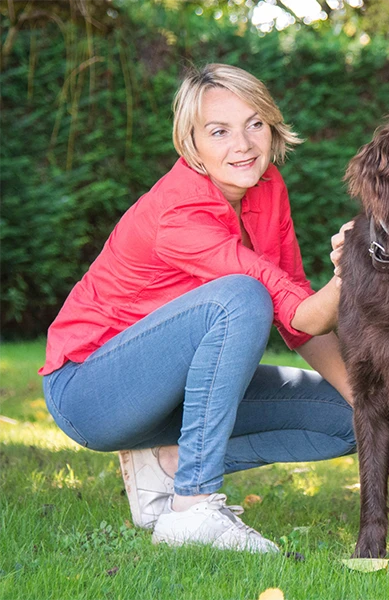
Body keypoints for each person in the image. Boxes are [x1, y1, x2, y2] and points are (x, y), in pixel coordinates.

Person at [40, 63, 356, 554]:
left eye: (255, 124)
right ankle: (192, 507)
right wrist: (356, 269)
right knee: (241, 297)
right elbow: (299, 313)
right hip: (91, 391)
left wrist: (371, 403)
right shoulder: (181, 212)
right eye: (219, 131)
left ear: (273, 127)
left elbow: (299, 317)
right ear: (192, 144)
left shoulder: (267, 188)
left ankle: (167, 463)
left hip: (169, 396)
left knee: (350, 422)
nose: (244, 144)